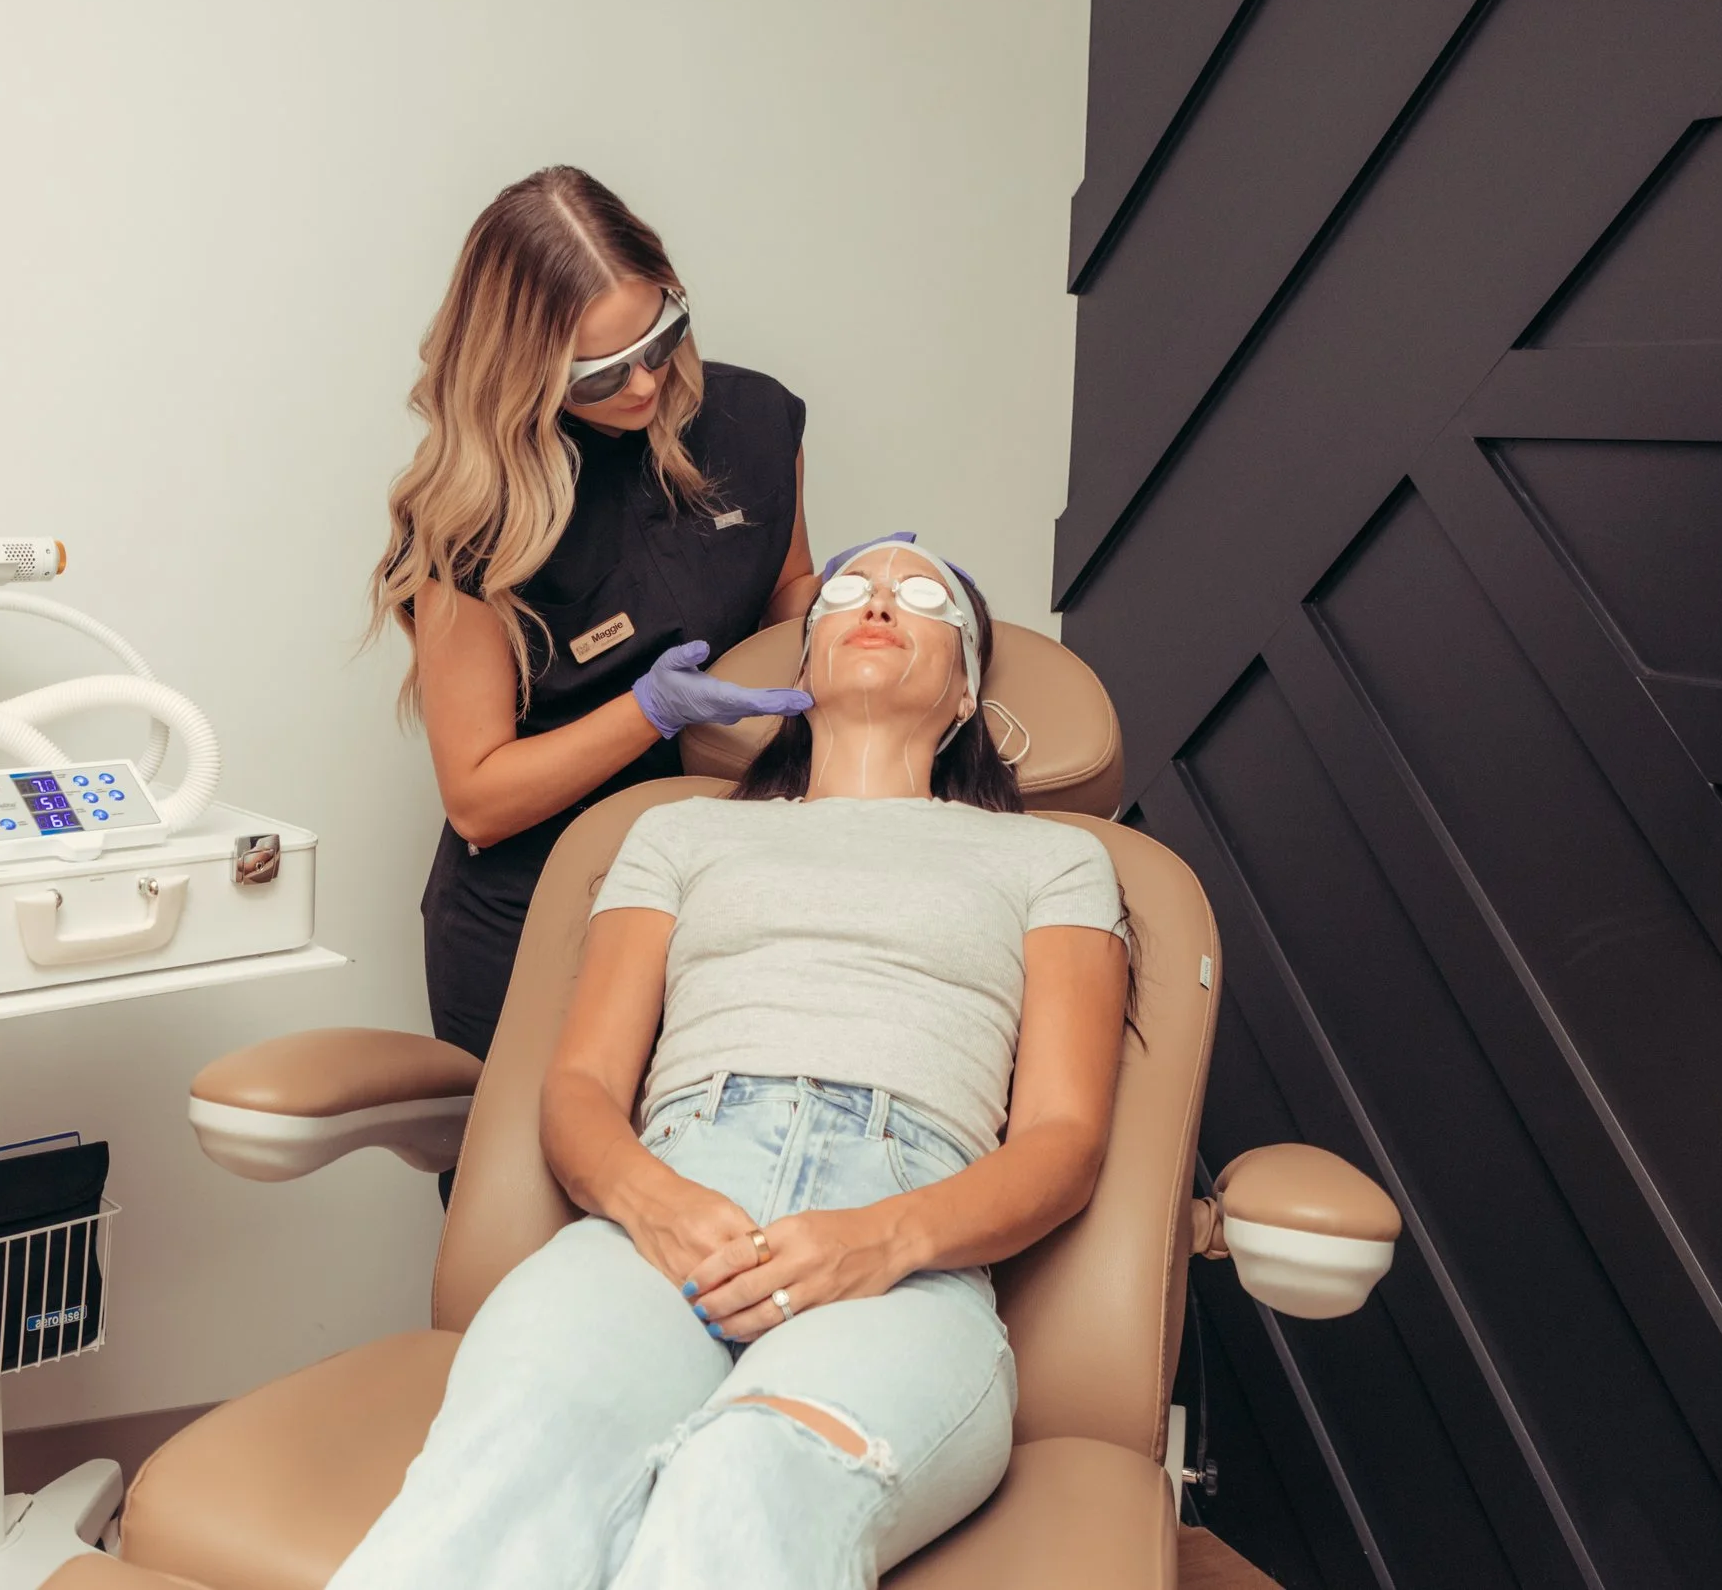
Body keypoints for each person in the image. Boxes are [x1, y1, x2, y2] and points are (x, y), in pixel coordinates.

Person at [331, 542, 1133, 1590]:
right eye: (847, 591)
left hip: (907, 1242)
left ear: (967, 692)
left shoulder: (1055, 861)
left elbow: (1063, 1140)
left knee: (745, 1487)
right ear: (802, 666)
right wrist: (652, 1202)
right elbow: (581, 1086)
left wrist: (882, 1238)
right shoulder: (678, 835)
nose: (877, 602)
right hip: (669, 1202)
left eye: (921, 596)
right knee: (514, 1464)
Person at [371, 167, 904, 1125]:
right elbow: (478, 798)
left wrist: (840, 603)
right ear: (523, 369)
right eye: (602, 374)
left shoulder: (754, 422)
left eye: (660, 339)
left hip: (719, 883)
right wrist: (649, 712)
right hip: (540, 910)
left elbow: (782, 591)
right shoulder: (471, 517)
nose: (648, 383)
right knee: (534, 1188)